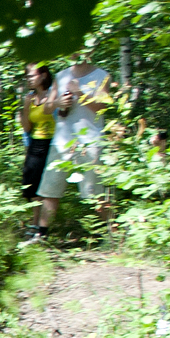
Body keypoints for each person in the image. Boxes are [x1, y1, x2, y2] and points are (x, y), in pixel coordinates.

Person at [34, 53, 112, 234]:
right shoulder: (61, 76)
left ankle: (112, 235)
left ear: (89, 51)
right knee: (49, 191)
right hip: (61, 143)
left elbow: (102, 107)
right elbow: (47, 107)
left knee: (95, 194)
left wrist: (80, 93)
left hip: (90, 143)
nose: (75, 53)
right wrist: (58, 102)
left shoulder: (102, 75)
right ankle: (41, 235)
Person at [19, 64, 56, 204]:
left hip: (53, 143)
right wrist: (26, 107)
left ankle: (46, 216)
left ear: (43, 75)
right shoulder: (30, 98)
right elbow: (27, 128)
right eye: (27, 77)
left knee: (48, 184)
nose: (29, 79)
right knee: (31, 184)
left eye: (31, 76)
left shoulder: (54, 94)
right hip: (35, 143)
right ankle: (35, 217)